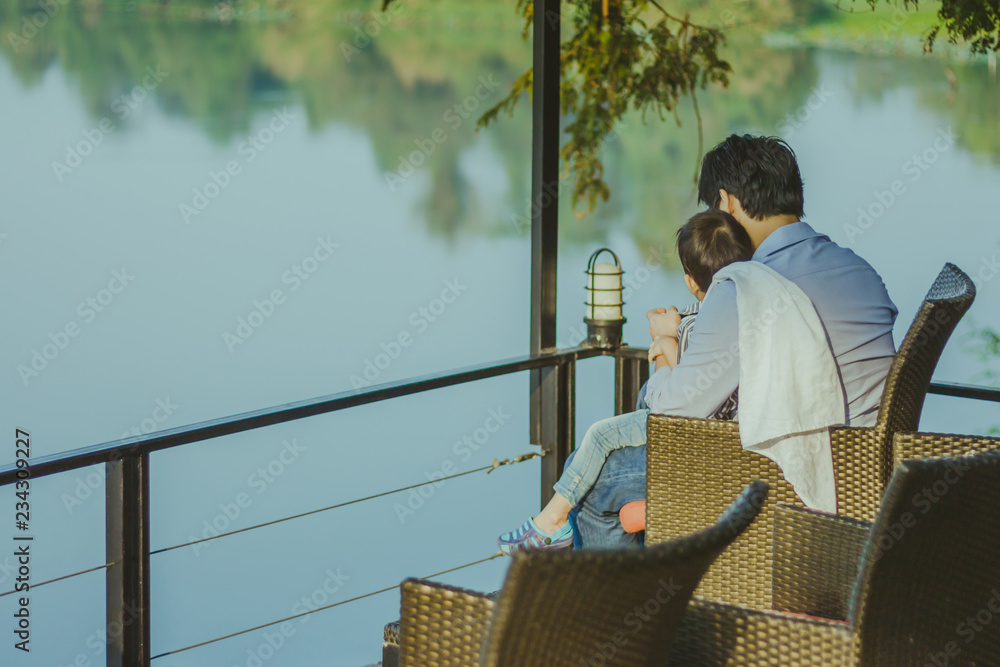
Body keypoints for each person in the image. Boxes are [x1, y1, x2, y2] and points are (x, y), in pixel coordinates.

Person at [569, 134, 899, 549]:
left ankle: (625, 609)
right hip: (867, 475)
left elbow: (673, 409)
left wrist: (664, 349)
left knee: (591, 481)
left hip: (783, 475)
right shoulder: (859, 271)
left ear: (726, 203)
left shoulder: (745, 288)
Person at [497, 210, 752, 553]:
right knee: (587, 457)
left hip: (692, 435)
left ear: (692, 280)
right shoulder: (739, 308)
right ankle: (557, 531)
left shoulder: (701, 327)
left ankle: (552, 525)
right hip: (715, 436)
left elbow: (687, 391)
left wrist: (668, 344)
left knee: (599, 437)